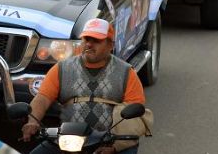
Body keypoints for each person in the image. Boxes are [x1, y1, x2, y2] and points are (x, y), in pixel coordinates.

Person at [21, 18, 146, 154]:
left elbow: (134, 112)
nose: (89, 44)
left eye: (96, 40)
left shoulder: (127, 72)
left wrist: (115, 146)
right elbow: (42, 99)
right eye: (86, 39)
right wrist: (32, 121)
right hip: (67, 139)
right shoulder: (62, 68)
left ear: (110, 45)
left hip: (108, 141)